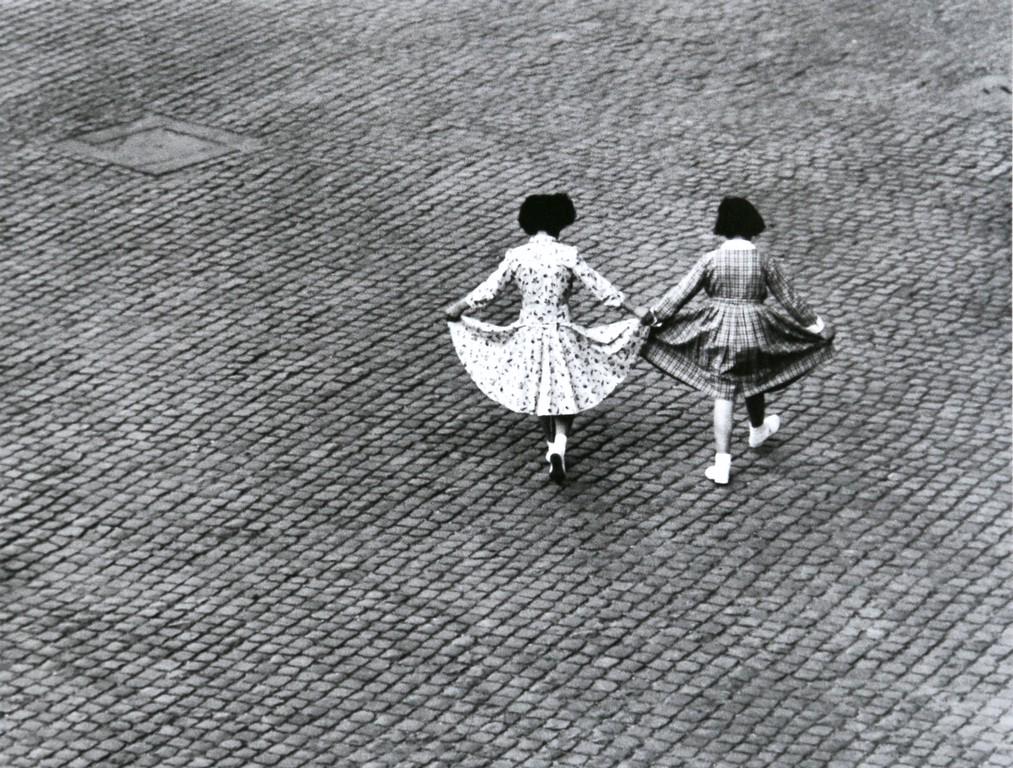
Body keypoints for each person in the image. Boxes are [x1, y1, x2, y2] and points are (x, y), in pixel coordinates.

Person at [444, 193, 645, 482]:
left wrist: (459, 307)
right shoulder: (568, 255)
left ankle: (551, 446)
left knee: (540, 389)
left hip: (529, 332)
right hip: (561, 330)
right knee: (566, 389)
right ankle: (560, 445)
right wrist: (635, 309)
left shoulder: (517, 256)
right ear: (559, 223)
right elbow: (602, 290)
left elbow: (489, 290)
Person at [639, 196, 835, 485]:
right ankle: (757, 429)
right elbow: (789, 298)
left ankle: (722, 464)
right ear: (752, 226)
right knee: (754, 379)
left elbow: (679, 295)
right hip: (756, 330)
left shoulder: (711, 260)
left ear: (723, 227)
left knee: (724, 393)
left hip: (718, 330)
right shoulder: (763, 260)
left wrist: (653, 317)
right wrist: (818, 326)